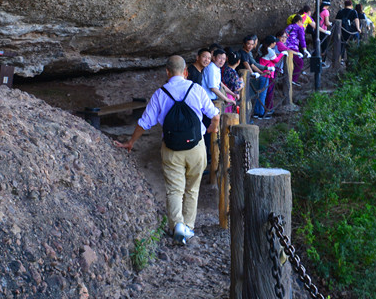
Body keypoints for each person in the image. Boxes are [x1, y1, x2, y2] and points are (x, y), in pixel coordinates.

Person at [114, 55, 218, 245]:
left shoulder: (160, 94)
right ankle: (189, 227)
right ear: (186, 71)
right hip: (196, 146)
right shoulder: (196, 89)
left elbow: (144, 123)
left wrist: (130, 143)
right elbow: (215, 115)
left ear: (167, 72)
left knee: (174, 190)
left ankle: (176, 225)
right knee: (192, 189)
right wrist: (211, 129)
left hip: (171, 149)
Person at [235, 34, 268, 121]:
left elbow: (252, 64)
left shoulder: (247, 52)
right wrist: (253, 73)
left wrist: (261, 72)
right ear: (244, 44)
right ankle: (244, 120)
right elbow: (246, 64)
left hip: (245, 79)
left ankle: (246, 119)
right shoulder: (242, 52)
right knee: (244, 101)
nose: (250, 46)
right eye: (248, 44)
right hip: (241, 79)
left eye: (252, 44)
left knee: (246, 100)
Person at [257, 35, 286, 116]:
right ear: (272, 43)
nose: (275, 44)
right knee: (264, 94)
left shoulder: (261, 47)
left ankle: (257, 111)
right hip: (267, 74)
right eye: (274, 42)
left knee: (259, 94)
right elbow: (276, 60)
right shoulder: (270, 51)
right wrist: (282, 54)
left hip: (261, 72)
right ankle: (261, 113)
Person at [283, 16, 309, 85]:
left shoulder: (289, 27)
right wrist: (305, 49)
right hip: (293, 47)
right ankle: (293, 79)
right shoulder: (299, 28)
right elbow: (302, 39)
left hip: (285, 47)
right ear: (299, 21)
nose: (302, 24)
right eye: (302, 22)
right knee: (300, 62)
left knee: (289, 63)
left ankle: (288, 78)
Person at [221, 49, 243, 115]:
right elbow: (236, 88)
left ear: (227, 59)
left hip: (222, 92)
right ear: (238, 62)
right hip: (230, 95)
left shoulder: (224, 68)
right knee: (229, 114)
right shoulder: (233, 73)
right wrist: (242, 83)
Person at [318, 0, 333, 64]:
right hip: (323, 30)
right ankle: (322, 61)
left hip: (317, 30)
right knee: (324, 46)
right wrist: (331, 23)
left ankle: (317, 60)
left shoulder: (318, 10)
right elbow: (327, 23)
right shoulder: (326, 11)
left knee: (318, 45)